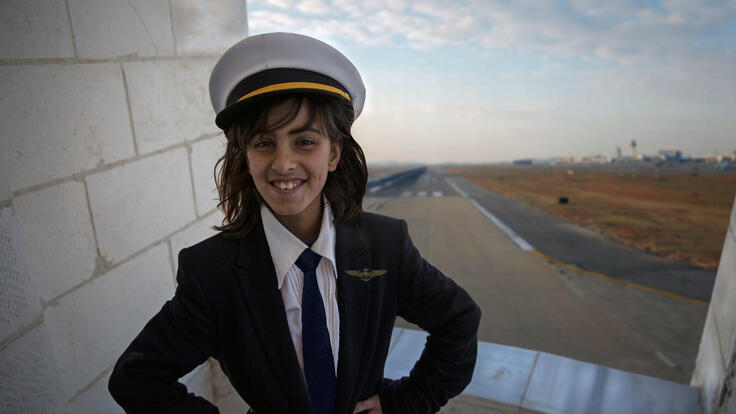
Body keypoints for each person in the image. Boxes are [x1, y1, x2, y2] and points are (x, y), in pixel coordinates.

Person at [108, 32, 480, 414]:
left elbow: (459, 319)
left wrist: (405, 402)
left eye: (304, 141)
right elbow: (136, 377)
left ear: (334, 153)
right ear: (245, 157)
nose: (283, 163)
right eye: (263, 143)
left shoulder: (385, 244)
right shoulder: (212, 272)